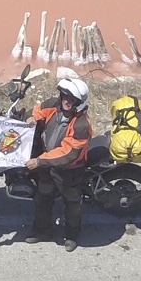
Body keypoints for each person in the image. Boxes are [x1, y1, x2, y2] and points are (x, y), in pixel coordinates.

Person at [24, 76, 92, 250]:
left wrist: (40, 161)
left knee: (72, 202)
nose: (67, 101)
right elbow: (38, 111)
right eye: (65, 96)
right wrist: (32, 118)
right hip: (47, 165)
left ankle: (72, 236)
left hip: (69, 169)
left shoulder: (82, 125)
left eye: (72, 99)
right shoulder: (54, 104)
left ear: (80, 102)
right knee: (43, 197)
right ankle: (42, 231)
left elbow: (68, 153)